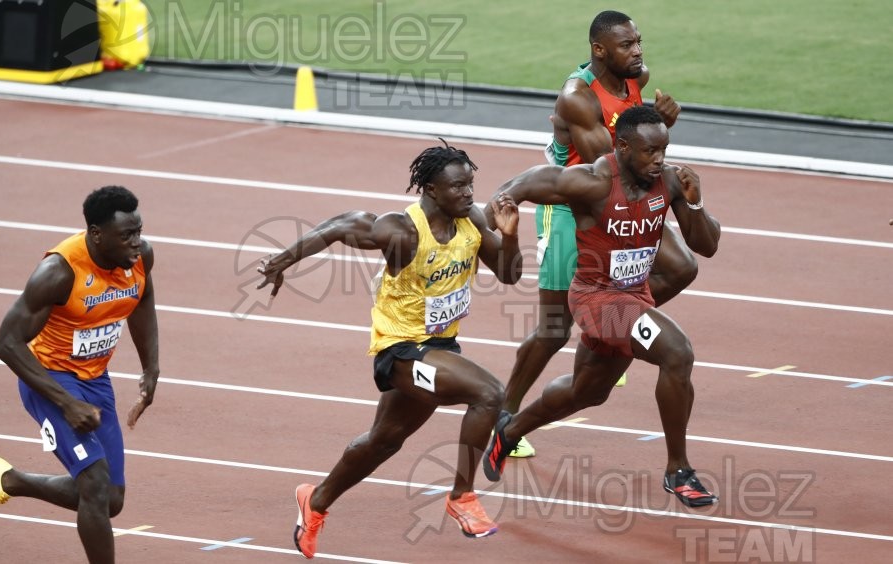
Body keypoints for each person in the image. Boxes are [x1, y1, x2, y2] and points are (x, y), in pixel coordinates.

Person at [256, 142, 522, 558]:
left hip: (440, 347)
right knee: (488, 393)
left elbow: (509, 274)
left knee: (383, 441)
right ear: (431, 190)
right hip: (400, 351)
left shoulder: (470, 221)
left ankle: (315, 500)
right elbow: (341, 224)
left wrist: (509, 235)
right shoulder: (402, 231)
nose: (469, 193)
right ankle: (462, 496)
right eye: (458, 186)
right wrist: (282, 261)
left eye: (471, 184)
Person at [483, 106, 721, 508]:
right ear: (623, 147)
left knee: (587, 392)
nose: (659, 159)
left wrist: (695, 204)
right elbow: (524, 183)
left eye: (664, 149)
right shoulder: (593, 182)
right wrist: (481, 225)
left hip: (634, 296)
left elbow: (707, 246)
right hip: (595, 299)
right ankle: (678, 471)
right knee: (677, 352)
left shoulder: (669, 181)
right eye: (650, 151)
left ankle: (509, 432)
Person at [502, 10, 694, 459]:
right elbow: (608, 166)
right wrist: (660, 124)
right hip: (573, 206)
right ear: (599, 50)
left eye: (639, 41)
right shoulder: (577, 97)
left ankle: (614, 330)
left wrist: (655, 124)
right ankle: (504, 414)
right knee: (554, 329)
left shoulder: (635, 78)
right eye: (627, 45)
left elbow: (636, 157)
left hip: (622, 200)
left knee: (682, 266)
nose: (638, 52)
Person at [0, 186, 160, 563]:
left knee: (111, 499)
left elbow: (143, 299)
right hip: (50, 379)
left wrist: (151, 367)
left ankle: (10, 480)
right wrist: (67, 403)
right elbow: (7, 343)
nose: (137, 242)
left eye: (139, 231)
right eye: (127, 235)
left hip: (95, 378)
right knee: (95, 484)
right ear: (97, 235)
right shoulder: (58, 272)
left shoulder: (139, 258)